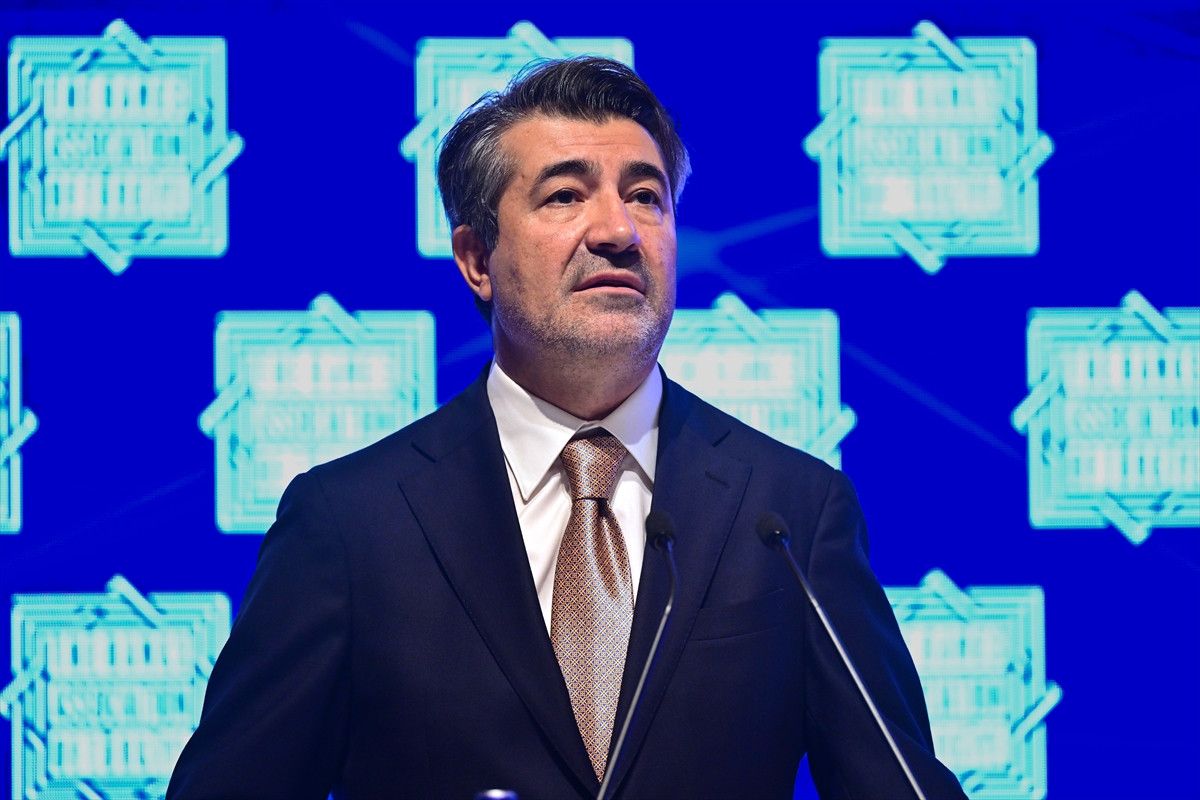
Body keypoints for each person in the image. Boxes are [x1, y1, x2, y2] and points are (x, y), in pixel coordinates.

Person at [167, 57, 967, 800]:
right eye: (564, 196)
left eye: (646, 195)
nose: (618, 230)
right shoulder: (349, 524)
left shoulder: (790, 512)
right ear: (476, 259)